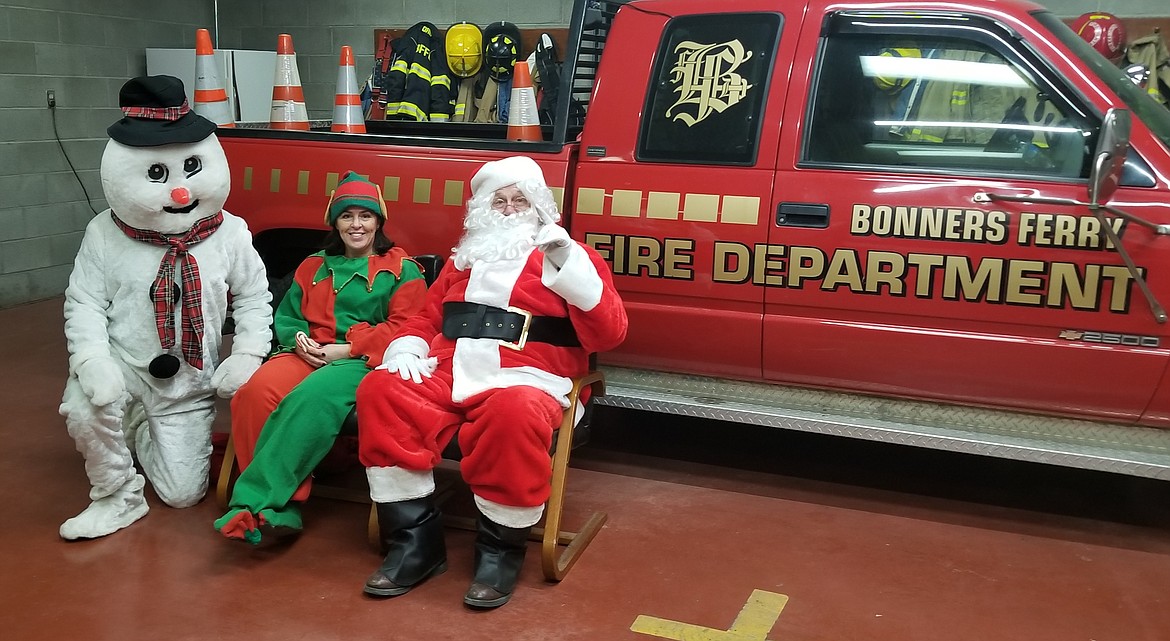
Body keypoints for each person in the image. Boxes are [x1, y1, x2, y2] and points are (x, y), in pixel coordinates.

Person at [354, 155, 628, 609]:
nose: (508, 208)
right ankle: (414, 546)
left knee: (513, 412)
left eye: (519, 200)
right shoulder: (461, 261)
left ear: (538, 206)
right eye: (498, 201)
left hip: (531, 377)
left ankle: (500, 552)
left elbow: (610, 333)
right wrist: (406, 348)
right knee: (381, 390)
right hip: (450, 369)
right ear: (482, 209)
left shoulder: (570, 259)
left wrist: (570, 266)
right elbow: (427, 318)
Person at [214, 171, 427, 545]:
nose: (356, 224)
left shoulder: (403, 270)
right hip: (307, 352)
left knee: (310, 399)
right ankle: (283, 506)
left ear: (379, 221)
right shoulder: (312, 265)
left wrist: (346, 349)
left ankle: (255, 502)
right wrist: (297, 340)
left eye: (366, 215)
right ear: (335, 222)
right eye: (347, 216)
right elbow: (289, 314)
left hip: (362, 361)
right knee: (254, 393)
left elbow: (407, 328)